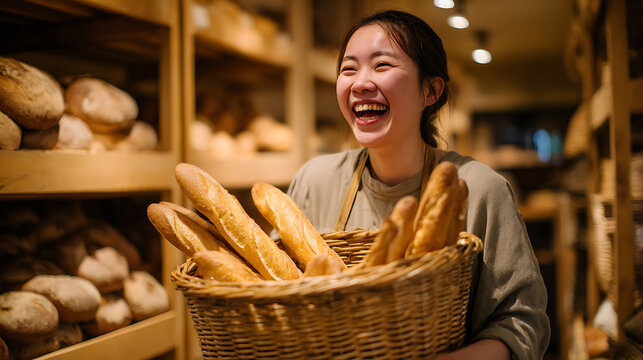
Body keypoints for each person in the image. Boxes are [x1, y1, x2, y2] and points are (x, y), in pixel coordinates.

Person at [284, 9, 550, 360]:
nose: (360, 82)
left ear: (430, 91)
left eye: (381, 66)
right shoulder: (314, 180)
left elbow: (522, 321)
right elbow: (278, 294)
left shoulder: (479, 187)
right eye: (348, 69)